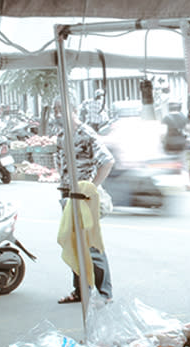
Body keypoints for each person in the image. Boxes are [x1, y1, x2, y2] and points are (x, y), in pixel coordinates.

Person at [54, 96, 115, 303]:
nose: (57, 114)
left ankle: (105, 293)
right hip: (67, 196)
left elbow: (107, 161)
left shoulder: (86, 133)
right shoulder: (61, 135)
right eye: (55, 110)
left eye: (61, 109)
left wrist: (91, 187)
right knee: (74, 244)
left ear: (73, 110)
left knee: (91, 245)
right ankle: (80, 291)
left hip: (83, 198)